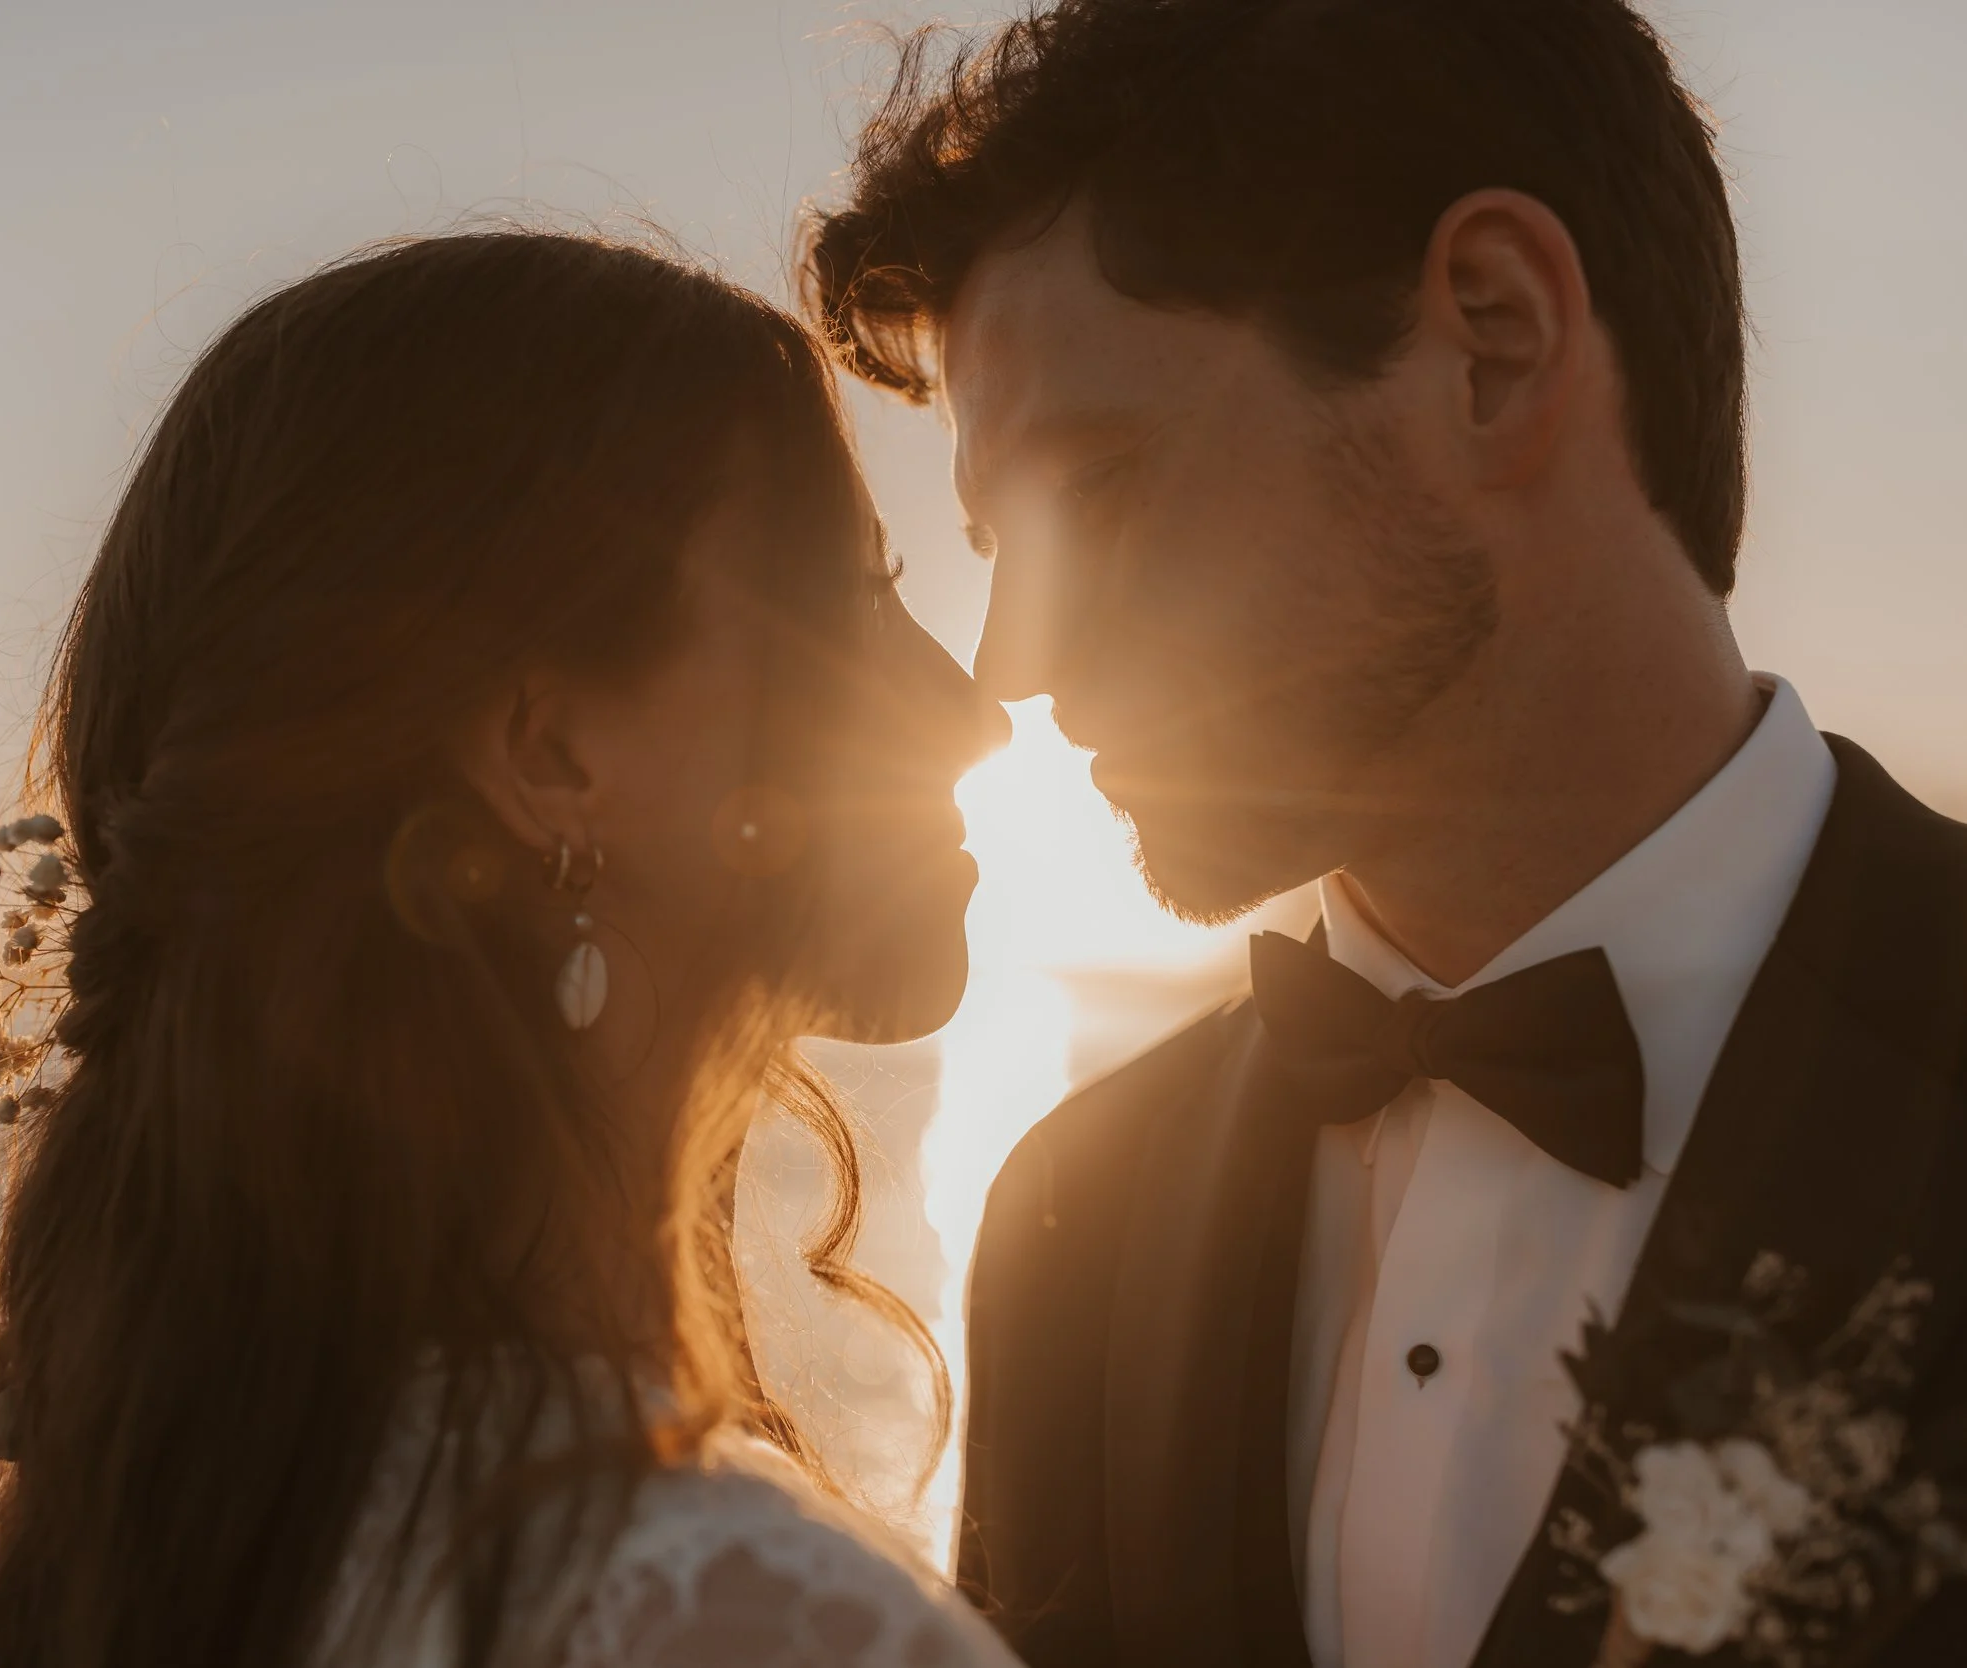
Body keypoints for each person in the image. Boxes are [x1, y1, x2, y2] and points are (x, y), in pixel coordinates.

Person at [804, 2, 1967, 1665]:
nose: (1020, 666)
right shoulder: (1077, 1220)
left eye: (1101, 490)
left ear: (1493, 343)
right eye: (995, 540)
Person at [0, 232, 1020, 1668]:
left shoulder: (191, 1555)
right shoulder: (738, 1617)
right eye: (854, 602)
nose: (970, 712)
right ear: (553, 752)